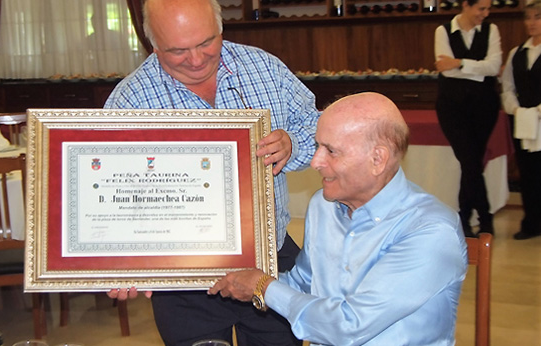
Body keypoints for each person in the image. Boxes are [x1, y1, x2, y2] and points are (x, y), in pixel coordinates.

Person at [104, 0, 320, 344]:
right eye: (177, 50)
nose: (195, 59)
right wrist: (121, 262)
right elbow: (112, 199)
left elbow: (317, 126)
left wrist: (293, 144)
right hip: (183, 284)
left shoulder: (266, 69)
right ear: (153, 44)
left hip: (270, 263)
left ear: (221, 29)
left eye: (206, 43)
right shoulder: (130, 101)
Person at [209, 92, 468, 345]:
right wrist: (238, 277)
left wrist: (264, 287)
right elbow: (305, 282)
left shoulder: (431, 231)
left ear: (378, 159)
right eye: (317, 146)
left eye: (331, 151)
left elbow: (349, 327)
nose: (315, 161)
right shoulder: (323, 206)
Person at [434, 0, 502, 237]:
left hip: (485, 107)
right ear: (466, 5)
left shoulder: (491, 30)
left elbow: (494, 67)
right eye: (481, 8)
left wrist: (460, 63)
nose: (486, 14)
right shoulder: (443, 31)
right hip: (451, 107)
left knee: (471, 162)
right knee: (470, 160)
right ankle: (482, 216)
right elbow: (445, 69)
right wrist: (475, 69)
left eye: (488, 8)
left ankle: (466, 217)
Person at [500, 0, 541, 240]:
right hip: (523, 121)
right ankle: (531, 222)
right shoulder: (517, 53)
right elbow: (507, 86)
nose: (531, 23)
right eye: (528, 18)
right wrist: (515, 109)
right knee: (528, 172)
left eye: (536, 17)